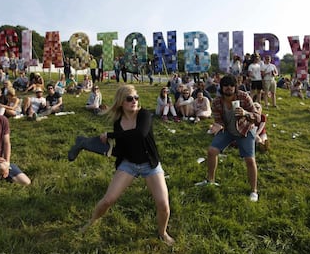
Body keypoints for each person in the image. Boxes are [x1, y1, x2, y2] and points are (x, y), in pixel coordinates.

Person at [78, 84, 175, 245]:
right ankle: (91, 221)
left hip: (150, 164)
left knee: (163, 204)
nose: (134, 101)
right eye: (129, 99)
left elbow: (139, 134)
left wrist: (110, 135)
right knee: (108, 200)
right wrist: (104, 149)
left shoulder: (144, 115)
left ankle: (162, 233)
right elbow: (123, 146)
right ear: (121, 102)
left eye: (136, 98)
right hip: (129, 164)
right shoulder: (118, 122)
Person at [195, 75, 261, 202]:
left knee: (249, 160)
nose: (229, 88)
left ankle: (254, 190)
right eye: (226, 85)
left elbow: (258, 117)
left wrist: (245, 113)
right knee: (211, 151)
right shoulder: (216, 102)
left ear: (235, 87)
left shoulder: (243, 97)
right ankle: (210, 181)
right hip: (228, 131)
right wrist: (217, 126)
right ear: (222, 87)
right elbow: (219, 120)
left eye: (231, 85)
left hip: (245, 130)